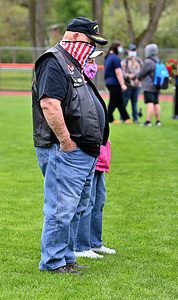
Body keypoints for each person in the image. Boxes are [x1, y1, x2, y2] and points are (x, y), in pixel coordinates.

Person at [32, 17, 109, 274]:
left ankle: (65, 258)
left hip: (81, 150)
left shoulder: (72, 62)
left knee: (75, 208)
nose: (92, 50)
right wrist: (66, 141)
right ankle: (53, 263)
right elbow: (49, 104)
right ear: (75, 37)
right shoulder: (54, 61)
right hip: (63, 149)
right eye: (90, 42)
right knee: (60, 209)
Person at [75, 51, 116, 258]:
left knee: (99, 199)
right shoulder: (76, 85)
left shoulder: (88, 84)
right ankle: (81, 246)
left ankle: (95, 242)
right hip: (87, 150)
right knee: (87, 200)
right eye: (90, 61)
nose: (94, 66)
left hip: (99, 152)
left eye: (95, 62)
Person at [104, 40, 131, 124]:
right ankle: (109, 118)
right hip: (114, 82)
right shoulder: (115, 58)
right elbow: (118, 72)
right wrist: (122, 84)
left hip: (109, 81)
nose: (121, 49)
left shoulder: (108, 56)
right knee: (113, 101)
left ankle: (126, 118)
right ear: (116, 47)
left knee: (119, 101)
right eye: (120, 47)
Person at [135, 44, 162, 127]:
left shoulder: (148, 61)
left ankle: (148, 121)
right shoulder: (158, 60)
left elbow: (141, 72)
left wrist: (135, 76)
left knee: (150, 102)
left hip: (149, 86)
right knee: (156, 102)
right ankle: (158, 121)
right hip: (156, 85)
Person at [121, 44, 143, 123]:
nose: (133, 52)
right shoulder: (124, 62)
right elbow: (122, 73)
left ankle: (135, 118)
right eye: (131, 50)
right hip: (128, 85)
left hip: (136, 86)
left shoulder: (139, 61)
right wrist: (130, 76)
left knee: (135, 103)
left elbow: (142, 71)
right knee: (125, 102)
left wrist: (139, 79)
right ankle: (123, 118)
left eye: (134, 50)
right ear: (128, 51)